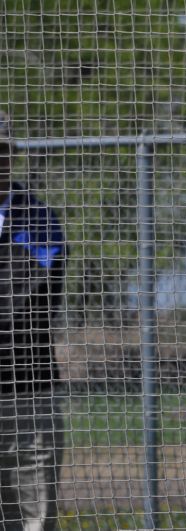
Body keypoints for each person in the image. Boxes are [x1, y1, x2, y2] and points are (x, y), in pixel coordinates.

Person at [0, 110, 67, 531]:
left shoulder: (38, 222)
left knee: (33, 517)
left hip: (25, 388)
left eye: (3, 152)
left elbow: (25, 301)